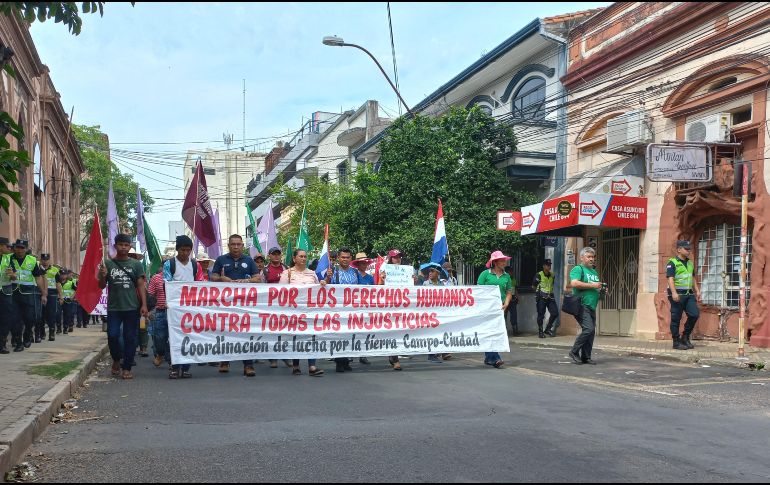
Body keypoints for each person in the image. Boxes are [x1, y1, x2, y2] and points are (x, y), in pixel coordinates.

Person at [98, 233, 148, 380]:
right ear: (115, 246)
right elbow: (101, 285)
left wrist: (144, 305)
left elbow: (140, 285)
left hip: (132, 308)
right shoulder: (108, 263)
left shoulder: (136, 265)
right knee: (112, 335)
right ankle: (116, 359)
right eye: (120, 245)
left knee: (130, 338)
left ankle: (126, 368)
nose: (123, 247)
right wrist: (103, 275)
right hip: (114, 308)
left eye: (126, 245)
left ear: (130, 247)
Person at [211, 234, 262, 377]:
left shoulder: (249, 260)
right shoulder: (221, 260)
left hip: (245, 305)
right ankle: (225, 361)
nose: (236, 247)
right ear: (229, 245)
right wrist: (221, 278)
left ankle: (248, 365)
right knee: (226, 332)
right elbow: (213, 277)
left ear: (242, 245)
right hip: (226, 304)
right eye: (233, 244)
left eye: (238, 244)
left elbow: (258, 278)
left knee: (246, 333)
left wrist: (248, 282)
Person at [159, 236, 205, 378]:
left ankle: (185, 366)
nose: (185, 253)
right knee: (172, 336)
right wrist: (169, 301)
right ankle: (173, 366)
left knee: (189, 336)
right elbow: (167, 284)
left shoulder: (195, 265)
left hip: (190, 307)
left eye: (188, 250)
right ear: (177, 249)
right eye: (182, 250)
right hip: (174, 307)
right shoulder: (169, 264)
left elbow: (200, 283)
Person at [279, 248, 325, 376]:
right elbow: (280, 292)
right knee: (296, 337)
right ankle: (296, 365)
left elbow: (318, 289)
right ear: (294, 259)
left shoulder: (312, 273)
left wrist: (322, 283)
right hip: (293, 311)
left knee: (312, 336)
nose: (303, 259)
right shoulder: (287, 273)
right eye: (301, 256)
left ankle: (312, 366)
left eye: (305, 256)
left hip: (310, 311)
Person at [326, 248, 370, 371]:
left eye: (347, 257)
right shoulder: (333, 271)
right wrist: (327, 278)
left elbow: (365, 288)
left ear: (351, 259)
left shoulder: (355, 273)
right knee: (339, 335)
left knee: (349, 335)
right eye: (343, 257)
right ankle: (339, 362)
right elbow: (325, 285)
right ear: (339, 258)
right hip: (338, 309)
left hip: (352, 309)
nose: (345, 259)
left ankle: (346, 361)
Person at [379, 248, 417, 371]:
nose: (397, 259)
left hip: (403, 305)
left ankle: (394, 354)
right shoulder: (384, 270)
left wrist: (413, 281)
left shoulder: (406, 271)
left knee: (400, 330)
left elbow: (412, 289)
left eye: (399, 257)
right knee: (392, 330)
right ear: (390, 259)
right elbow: (378, 289)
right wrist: (382, 279)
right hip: (389, 305)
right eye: (395, 257)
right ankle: (395, 358)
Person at [6, 240, 47, 351]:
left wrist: (43, 293)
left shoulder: (32, 260)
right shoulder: (9, 258)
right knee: (15, 319)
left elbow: (38, 278)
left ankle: (28, 332)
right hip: (13, 293)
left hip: (28, 293)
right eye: (18, 247)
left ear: (26, 249)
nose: (20, 250)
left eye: (22, 248)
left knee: (30, 317)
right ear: (14, 248)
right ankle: (19, 342)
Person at [568, 247, 604, 365]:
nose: (591, 259)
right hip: (582, 304)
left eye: (593, 257)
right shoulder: (578, 269)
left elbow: (594, 286)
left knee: (591, 331)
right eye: (589, 257)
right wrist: (593, 285)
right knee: (588, 329)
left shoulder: (594, 272)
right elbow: (574, 283)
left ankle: (586, 357)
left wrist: (601, 289)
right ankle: (574, 352)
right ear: (582, 257)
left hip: (592, 306)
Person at [477, 251, 512, 368]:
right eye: (502, 260)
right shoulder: (484, 274)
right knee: (489, 332)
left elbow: (509, 292)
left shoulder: (507, 276)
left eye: (504, 260)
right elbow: (479, 291)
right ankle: (496, 358)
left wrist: (506, 303)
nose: (504, 262)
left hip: (500, 309)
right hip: (486, 309)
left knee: (496, 332)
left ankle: (489, 358)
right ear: (495, 262)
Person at [667, 240, 701, 350]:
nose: (689, 251)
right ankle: (676, 342)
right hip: (677, 294)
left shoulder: (690, 263)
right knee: (676, 318)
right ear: (679, 249)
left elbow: (692, 278)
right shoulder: (672, 263)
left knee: (694, 314)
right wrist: (673, 293)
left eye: (689, 249)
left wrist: (697, 290)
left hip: (689, 293)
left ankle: (685, 337)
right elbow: (670, 278)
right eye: (686, 249)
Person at [263, 247, 291, 369]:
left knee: (285, 332)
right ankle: (272, 358)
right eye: (273, 254)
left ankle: (285, 356)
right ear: (269, 256)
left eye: (278, 254)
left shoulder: (287, 269)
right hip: (270, 305)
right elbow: (261, 288)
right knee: (271, 332)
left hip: (285, 305)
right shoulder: (265, 270)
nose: (276, 256)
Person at [423, 263, 451, 363]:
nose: (430, 273)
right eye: (429, 271)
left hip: (439, 312)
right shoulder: (426, 284)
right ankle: (431, 355)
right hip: (429, 312)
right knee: (431, 333)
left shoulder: (442, 284)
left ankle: (438, 352)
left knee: (439, 332)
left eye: (432, 271)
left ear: (437, 273)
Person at [38, 254, 63, 342]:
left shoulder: (55, 270)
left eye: (47, 259)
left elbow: (58, 283)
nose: (45, 261)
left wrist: (61, 296)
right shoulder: (38, 268)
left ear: (49, 260)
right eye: (43, 260)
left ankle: (52, 333)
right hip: (40, 293)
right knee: (40, 314)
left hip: (52, 294)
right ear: (41, 260)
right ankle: (42, 332)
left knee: (51, 314)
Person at [533, 259, 559, 338]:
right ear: (543, 266)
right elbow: (533, 286)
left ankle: (547, 329)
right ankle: (541, 332)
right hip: (541, 297)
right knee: (541, 314)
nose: (549, 266)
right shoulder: (539, 274)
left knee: (555, 313)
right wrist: (539, 293)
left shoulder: (552, 275)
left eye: (550, 265)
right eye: (547, 265)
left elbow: (551, 284)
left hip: (550, 296)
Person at [0, 237, 15, 354]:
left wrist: (13, 275)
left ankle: (3, 344)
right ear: (1, 246)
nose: (9, 249)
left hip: (5, 293)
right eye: (7, 246)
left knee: (5, 318)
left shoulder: (8, 259)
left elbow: (14, 275)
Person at [503, 266, 520, 337]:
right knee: (504, 316)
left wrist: (517, 297)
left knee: (514, 315)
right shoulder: (503, 279)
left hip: (512, 299)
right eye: (510, 272)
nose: (512, 273)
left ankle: (515, 330)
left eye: (512, 271)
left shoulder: (513, 280)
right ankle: (503, 331)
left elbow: (515, 289)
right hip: (505, 299)